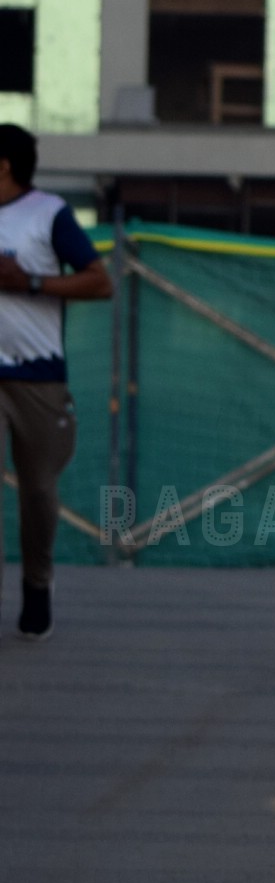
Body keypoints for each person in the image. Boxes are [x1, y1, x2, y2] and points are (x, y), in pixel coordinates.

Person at [0, 123, 112, 640]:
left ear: (5, 165)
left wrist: (31, 282)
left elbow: (99, 280)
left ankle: (38, 582)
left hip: (36, 374)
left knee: (39, 491)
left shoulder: (49, 214)